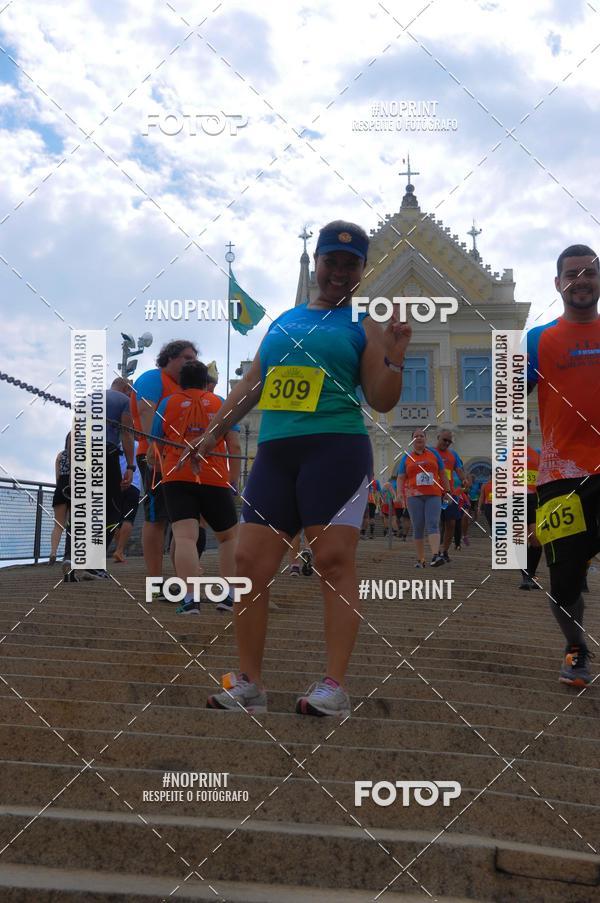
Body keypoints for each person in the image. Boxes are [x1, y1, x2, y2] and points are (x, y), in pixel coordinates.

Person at [190, 220, 411, 716]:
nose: (338, 271)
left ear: (361, 270)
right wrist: (212, 432)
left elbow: (379, 398)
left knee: (332, 561)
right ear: (317, 263)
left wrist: (395, 358)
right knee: (249, 565)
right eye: (331, 261)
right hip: (276, 452)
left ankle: (334, 685)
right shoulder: (283, 322)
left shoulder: (364, 323)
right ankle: (249, 683)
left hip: (335, 448)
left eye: (349, 264)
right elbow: (252, 384)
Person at [527, 244, 600, 687]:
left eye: (590, 273)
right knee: (565, 580)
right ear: (558, 284)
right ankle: (576, 649)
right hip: (560, 478)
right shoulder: (538, 340)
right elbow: (509, 400)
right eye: (572, 274)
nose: (581, 280)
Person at [152, 360, 239, 614]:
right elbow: (233, 444)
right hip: (215, 477)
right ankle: (230, 596)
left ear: (180, 381)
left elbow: (155, 443)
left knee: (185, 537)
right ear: (206, 382)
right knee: (228, 538)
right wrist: (232, 481)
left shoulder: (167, 403)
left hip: (176, 476)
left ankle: (190, 600)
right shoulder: (220, 403)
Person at [132, 340, 198, 597]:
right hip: (155, 457)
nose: (191, 362)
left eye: (193, 358)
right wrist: (157, 451)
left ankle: (180, 576)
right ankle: (155, 580)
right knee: (156, 517)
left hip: (181, 460)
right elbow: (147, 414)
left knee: (179, 519)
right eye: (185, 357)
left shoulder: (184, 386)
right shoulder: (153, 378)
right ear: (169, 358)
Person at [396, 429, 449, 568]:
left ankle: (436, 556)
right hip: (414, 496)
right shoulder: (407, 457)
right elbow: (401, 477)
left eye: (421, 436)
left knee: (433, 523)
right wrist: (399, 493)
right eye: (415, 436)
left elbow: (442, 473)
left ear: (426, 439)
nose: (419, 438)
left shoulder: (434, 454)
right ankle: (421, 560)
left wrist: (447, 490)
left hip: (433, 494)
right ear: (412, 440)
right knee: (418, 527)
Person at [519, 419, 542, 590]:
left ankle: (531, 573)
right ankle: (526, 576)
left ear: (528, 432)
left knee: (535, 538)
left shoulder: (536, 454)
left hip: (534, 499)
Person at [436, 429, 465, 562]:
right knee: (435, 524)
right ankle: (436, 551)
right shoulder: (430, 452)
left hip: (449, 495)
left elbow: (459, 470)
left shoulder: (453, 454)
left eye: (449, 441)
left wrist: (464, 479)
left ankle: (444, 551)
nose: (447, 443)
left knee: (451, 523)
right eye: (444, 440)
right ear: (438, 437)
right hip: (434, 494)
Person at [113, 439, 142, 563]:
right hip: (133, 485)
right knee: (128, 519)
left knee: (117, 519)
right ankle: (120, 550)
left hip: (118, 485)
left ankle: (118, 549)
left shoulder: (118, 444)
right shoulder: (138, 446)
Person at [50, 432, 71, 564]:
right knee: (75, 524)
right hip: (77, 488)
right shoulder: (83, 455)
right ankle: (70, 554)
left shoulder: (60, 455)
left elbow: (57, 477)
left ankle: (53, 553)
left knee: (58, 525)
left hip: (61, 488)